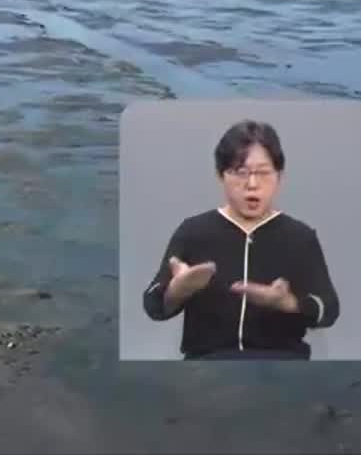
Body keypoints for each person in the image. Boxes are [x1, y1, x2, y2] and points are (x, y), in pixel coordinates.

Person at [141, 119, 340, 359]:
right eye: (240, 172)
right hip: (208, 368)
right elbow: (153, 305)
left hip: (283, 367)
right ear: (220, 175)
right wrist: (178, 290)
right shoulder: (193, 231)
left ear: (279, 176)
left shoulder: (301, 237)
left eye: (264, 173)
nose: (252, 185)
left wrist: (289, 303)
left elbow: (329, 309)